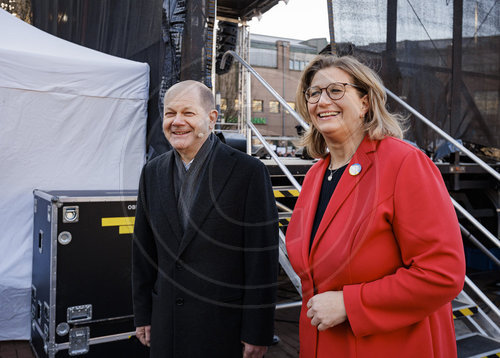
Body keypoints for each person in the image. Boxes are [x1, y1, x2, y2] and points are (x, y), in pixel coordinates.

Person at [285, 55, 465, 358]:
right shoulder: (316, 175)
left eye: (336, 90)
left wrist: (349, 304)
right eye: (314, 93)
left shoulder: (403, 162)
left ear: (365, 102)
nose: (321, 101)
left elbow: (443, 272)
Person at [132, 80, 279, 358]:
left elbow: (262, 259)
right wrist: (143, 314)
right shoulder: (152, 172)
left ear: (211, 118)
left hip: (223, 329)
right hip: (166, 327)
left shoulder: (247, 172)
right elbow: (143, 252)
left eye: (188, 113)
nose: (177, 122)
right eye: (169, 113)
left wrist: (257, 331)